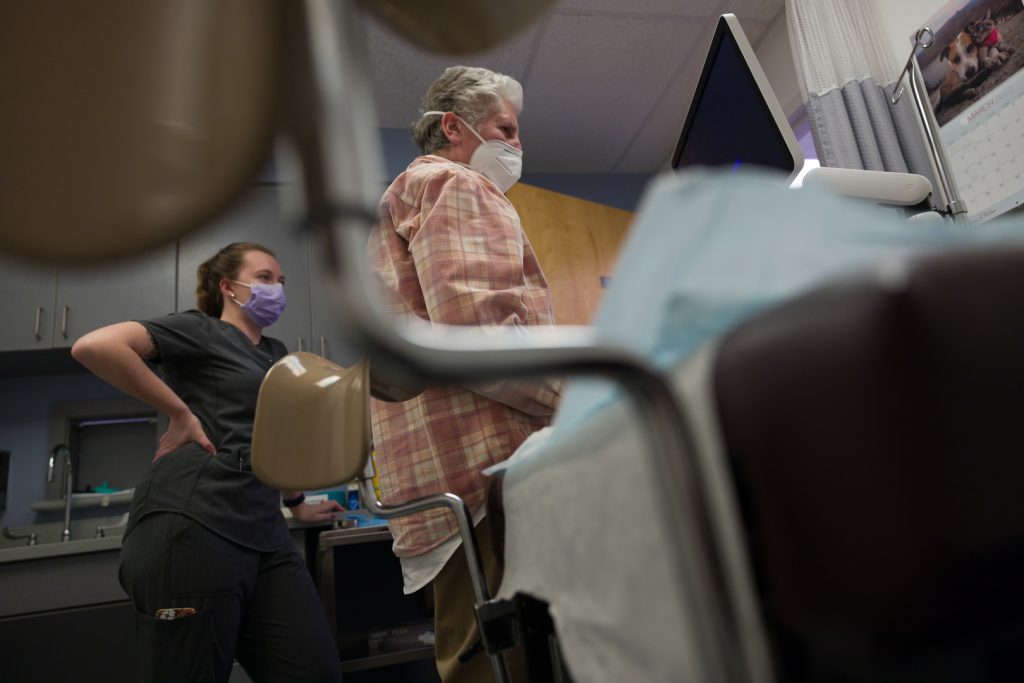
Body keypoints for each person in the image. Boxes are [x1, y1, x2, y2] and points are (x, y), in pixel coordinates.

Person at [71, 242, 344, 683]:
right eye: (264, 278)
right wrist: (181, 412)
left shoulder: (277, 355)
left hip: (264, 534)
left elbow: (273, 441)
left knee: (316, 672)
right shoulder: (202, 330)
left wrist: (296, 503)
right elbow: (96, 346)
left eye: (281, 281)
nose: (277, 289)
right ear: (227, 287)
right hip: (193, 523)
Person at [367, 66, 562, 682]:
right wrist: (577, 398)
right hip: (483, 479)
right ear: (453, 126)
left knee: (475, 657)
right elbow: (478, 339)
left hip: (439, 483)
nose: (518, 146)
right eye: (506, 128)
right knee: (514, 662)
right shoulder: (456, 184)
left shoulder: (403, 195)